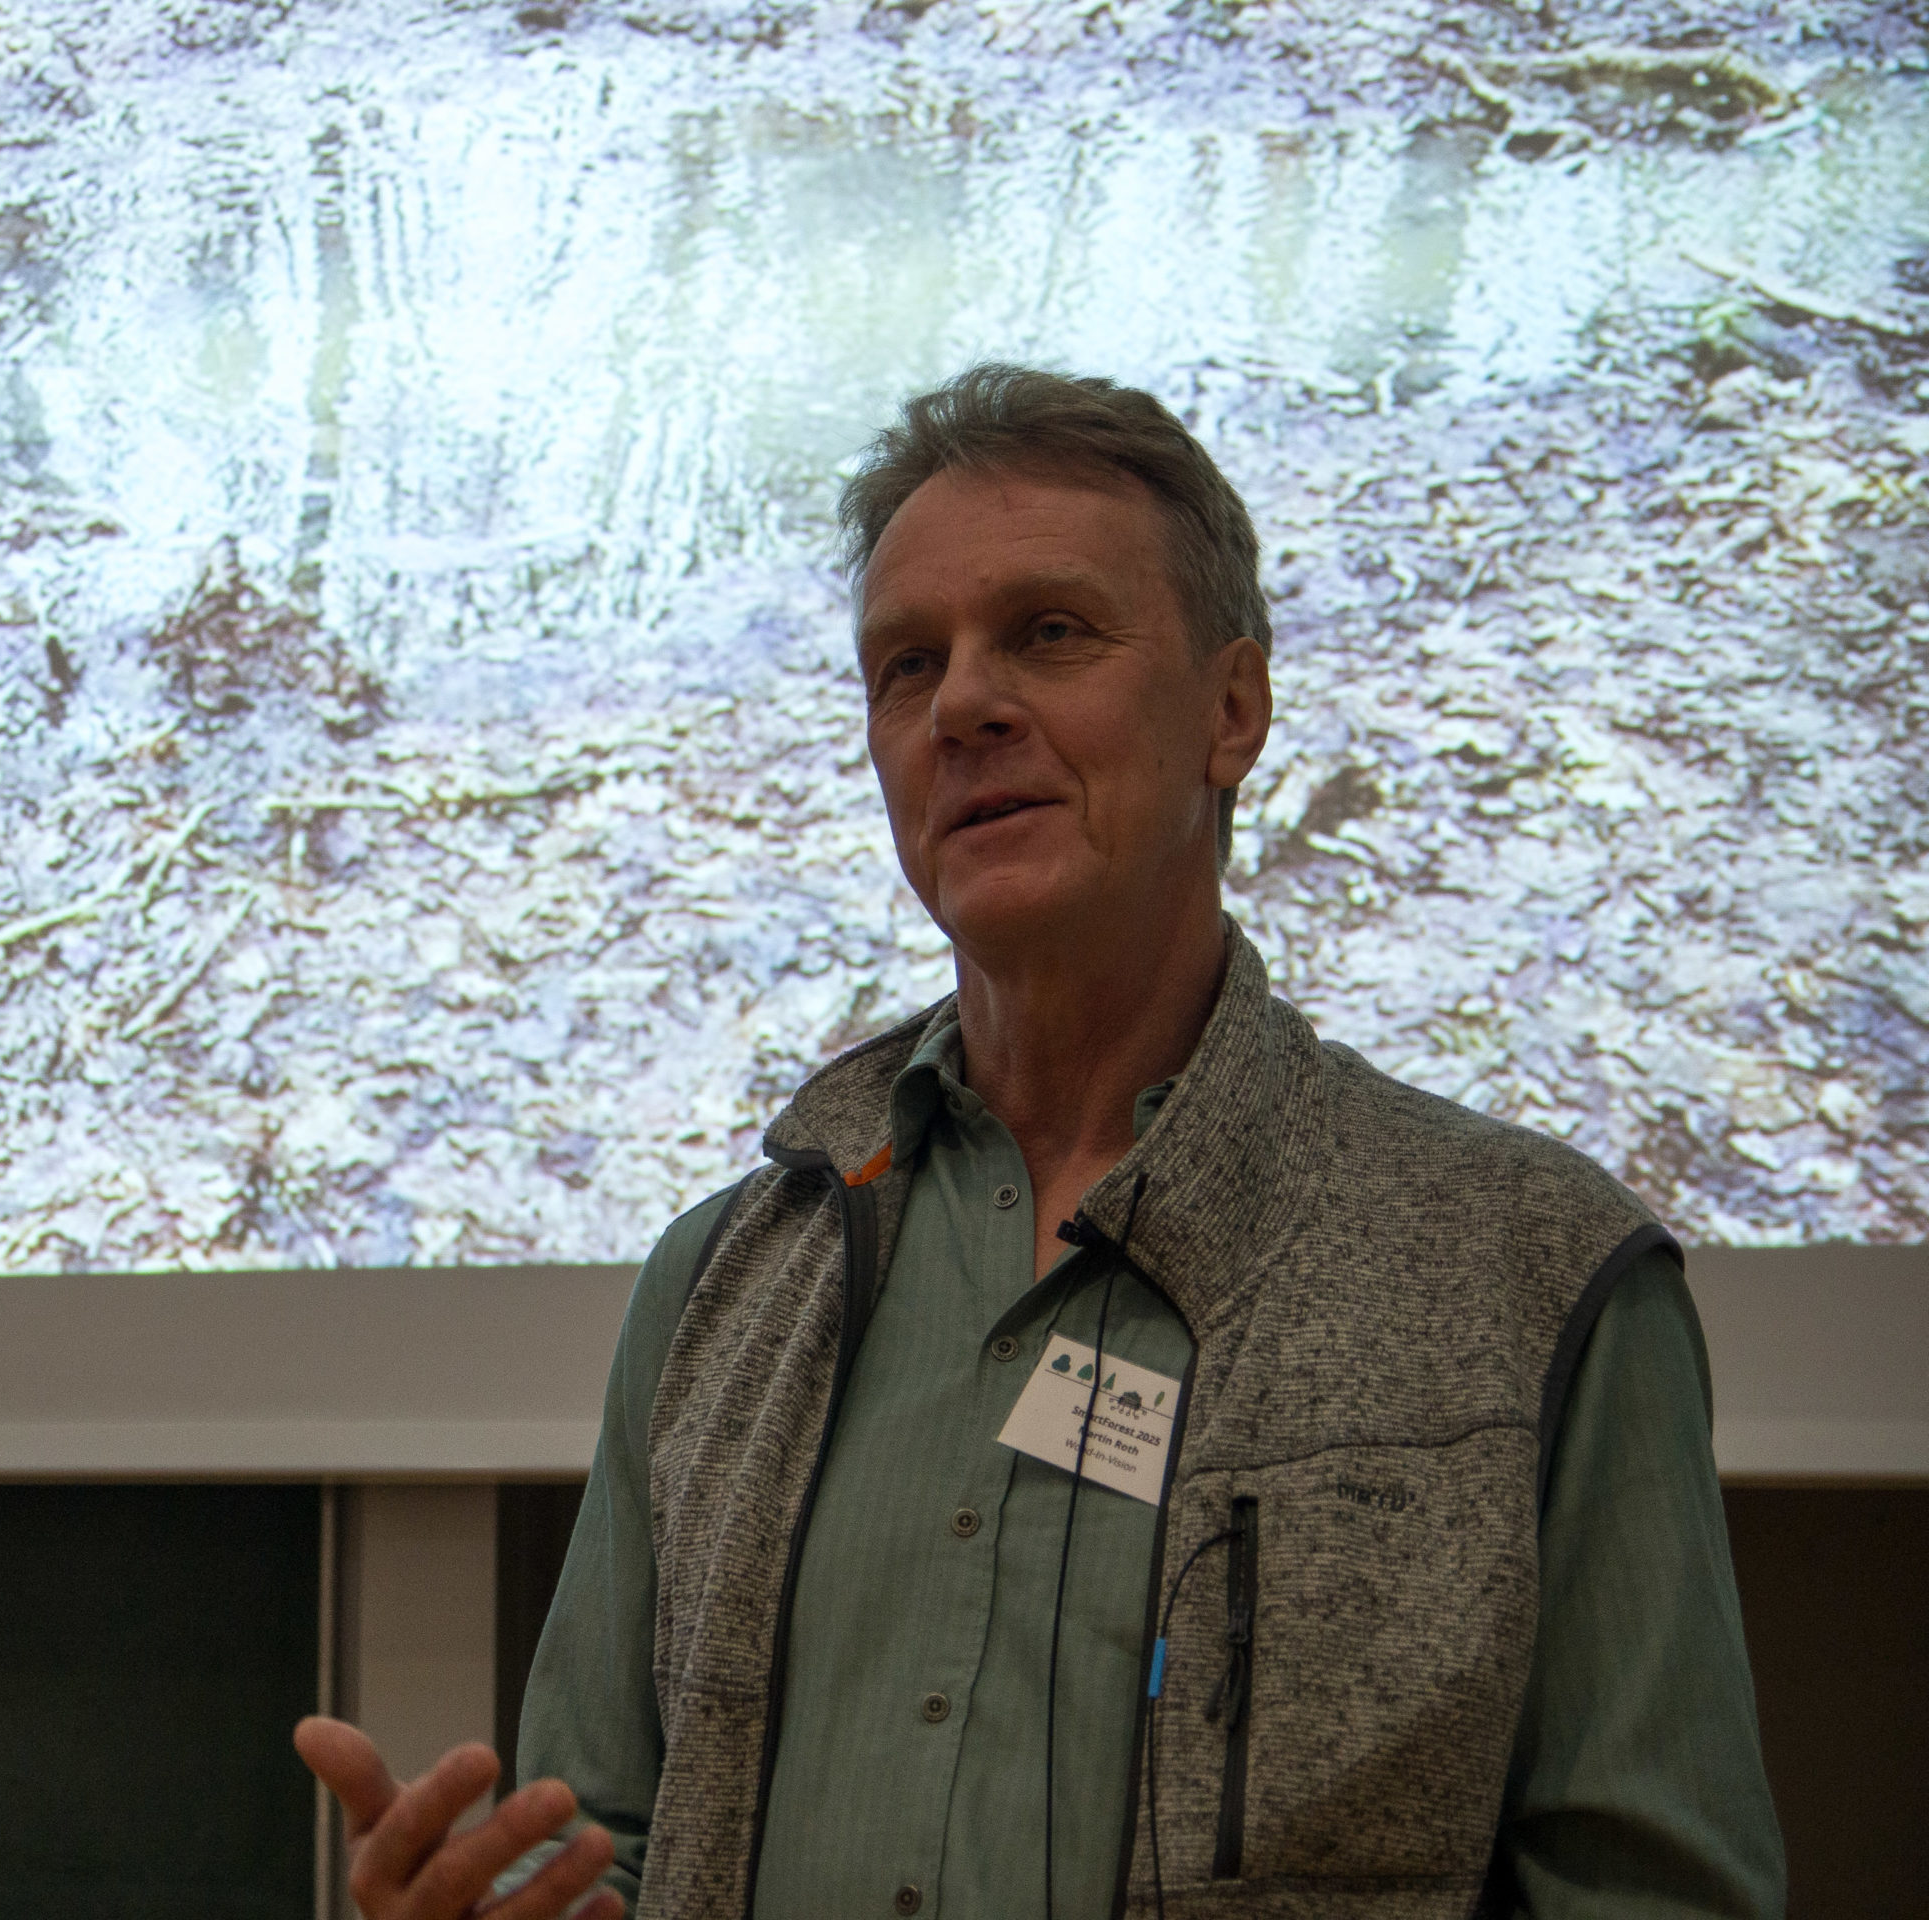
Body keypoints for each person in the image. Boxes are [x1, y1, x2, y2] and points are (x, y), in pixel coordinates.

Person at [298, 366, 1785, 1920]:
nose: (963, 707)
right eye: (906, 665)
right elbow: (606, 1832)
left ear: (1234, 711)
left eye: (1051, 636)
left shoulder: (1533, 1271)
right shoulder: (727, 1279)